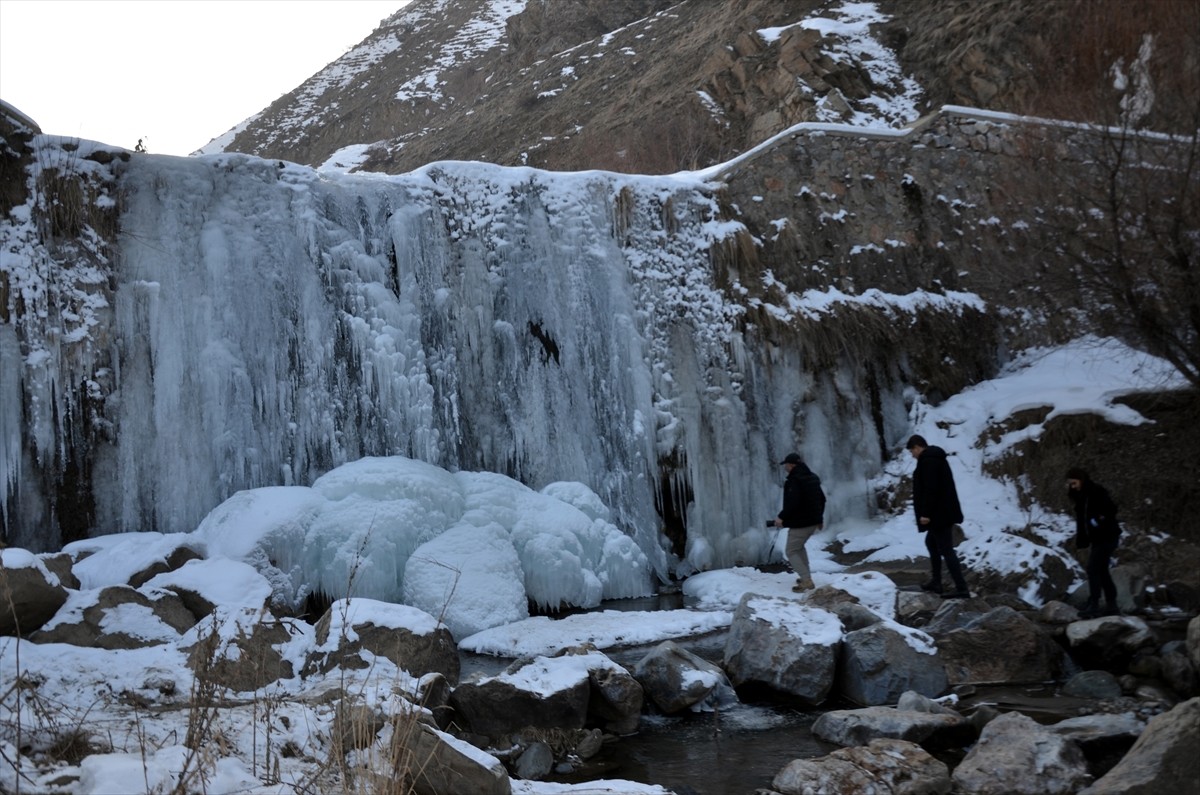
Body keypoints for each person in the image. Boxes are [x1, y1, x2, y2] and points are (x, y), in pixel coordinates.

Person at [906, 434, 970, 598]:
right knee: (932, 544)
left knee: (946, 549)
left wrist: (925, 513)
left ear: (917, 447)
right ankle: (936, 582)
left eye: (912, 451)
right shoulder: (932, 459)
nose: (912, 455)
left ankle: (961, 588)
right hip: (942, 512)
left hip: (938, 514)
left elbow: (931, 489)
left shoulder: (929, 461)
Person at [1066, 467, 1122, 617]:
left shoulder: (1096, 491)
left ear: (1082, 480)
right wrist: (1082, 539)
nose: (1072, 486)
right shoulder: (1080, 497)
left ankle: (1095, 604)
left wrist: (1097, 521)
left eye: (1074, 483)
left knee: (1093, 569)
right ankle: (1111, 604)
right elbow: (1081, 520)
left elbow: (1111, 509)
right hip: (1098, 539)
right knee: (1102, 571)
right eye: (1070, 484)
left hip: (1108, 536)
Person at [774, 453, 826, 592]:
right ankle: (805, 576)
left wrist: (781, 517)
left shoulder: (795, 480)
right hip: (812, 522)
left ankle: (806, 580)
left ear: (791, 465)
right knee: (799, 548)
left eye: (786, 464)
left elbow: (793, 504)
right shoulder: (812, 477)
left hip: (801, 523)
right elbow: (822, 499)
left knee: (791, 551)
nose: (785, 467)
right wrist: (819, 519)